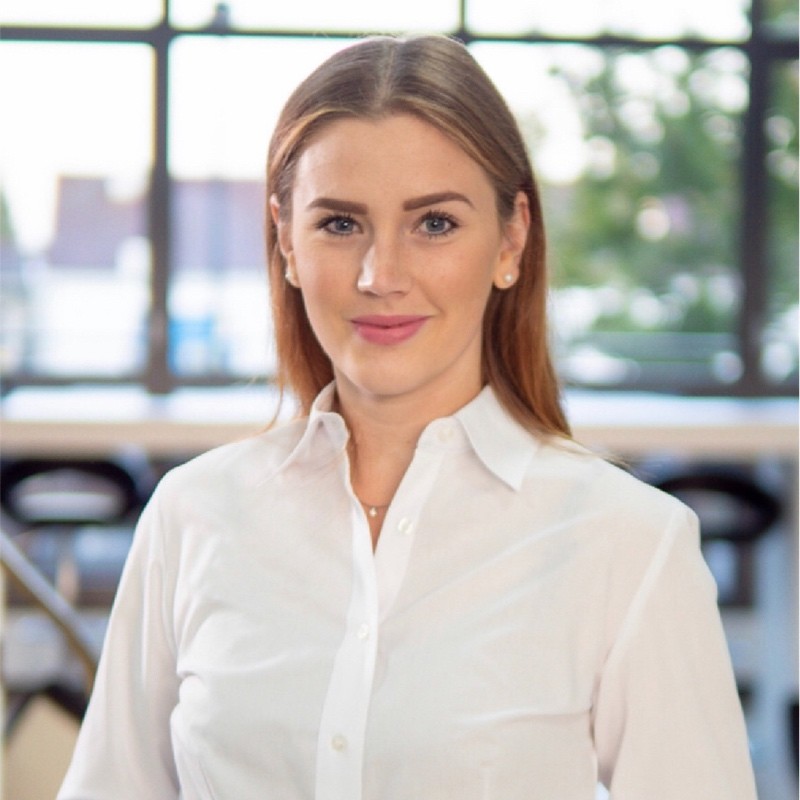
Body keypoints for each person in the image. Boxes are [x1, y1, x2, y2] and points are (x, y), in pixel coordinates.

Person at [58, 35, 757, 800]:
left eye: (434, 225)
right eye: (339, 223)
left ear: (511, 238)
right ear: (285, 241)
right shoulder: (193, 516)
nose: (379, 276)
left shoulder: (628, 545)